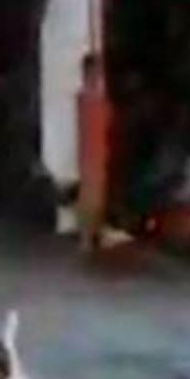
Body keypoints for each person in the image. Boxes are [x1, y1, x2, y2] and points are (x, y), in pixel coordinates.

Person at [77, 53, 113, 253]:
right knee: (91, 197)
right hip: (92, 152)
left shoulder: (89, 97)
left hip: (95, 152)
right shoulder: (90, 98)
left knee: (94, 196)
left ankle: (91, 236)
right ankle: (87, 238)